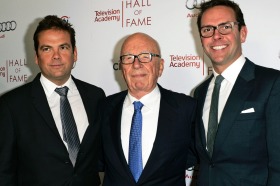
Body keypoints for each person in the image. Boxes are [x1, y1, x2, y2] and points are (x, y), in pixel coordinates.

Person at [0, 15, 105, 185]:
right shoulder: (12, 105)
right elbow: (4, 172)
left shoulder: (95, 96)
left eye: (63, 47)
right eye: (47, 49)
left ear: (75, 53)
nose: (56, 56)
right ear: (36, 57)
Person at [193, 0, 280, 185]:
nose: (216, 36)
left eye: (225, 27)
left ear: (242, 33)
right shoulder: (199, 93)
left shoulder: (272, 83)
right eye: (208, 29)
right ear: (201, 38)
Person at [100, 32, 196, 185]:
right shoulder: (103, 108)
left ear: (160, 66)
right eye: (128, 58)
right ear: (121, 67)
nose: (136, 64)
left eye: (146, 56)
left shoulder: (186, 108)